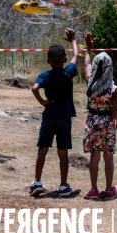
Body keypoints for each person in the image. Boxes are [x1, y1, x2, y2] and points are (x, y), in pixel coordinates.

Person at [30, 28, 79, 197]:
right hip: (64, 117)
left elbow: (34, 88)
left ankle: (37, 182)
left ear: (48, 60)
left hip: (49, 116)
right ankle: (64, 186)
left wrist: (42, 101)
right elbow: (76, 56)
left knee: (42, 149)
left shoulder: (44, 75)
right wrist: (73, 41)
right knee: (63, 151)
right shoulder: (68, 73)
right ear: (64, 60)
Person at [82, 32, 117, 200]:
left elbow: (86, 66)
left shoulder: (90, 85)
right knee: (108, 157)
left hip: (92, 121)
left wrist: (89, 48)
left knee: (94, 155)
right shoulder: (113, 89)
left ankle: (93, 189)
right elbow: (114, 110)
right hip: (107, 123)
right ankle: (108, 189)